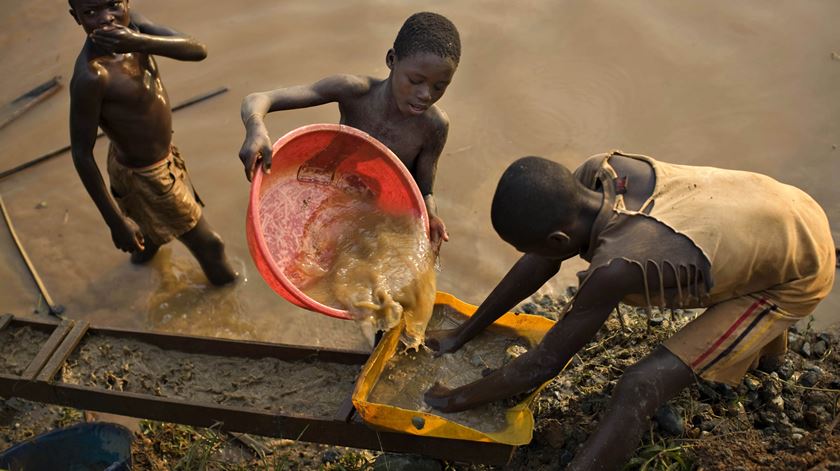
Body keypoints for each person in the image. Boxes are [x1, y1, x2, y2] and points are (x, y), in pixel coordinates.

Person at [423, 151, 836, 470]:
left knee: (639, 386)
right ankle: (768, 361)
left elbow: (544, 364)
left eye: (530, 246)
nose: (531, 256)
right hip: (781, 207)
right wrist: (466, 330)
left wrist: (451, 400)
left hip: (796, 274)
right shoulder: (599, 171)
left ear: (557, 238)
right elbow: (542, 259)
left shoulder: (618, 267)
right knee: (744, 260)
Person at [238, 12, 461, 252]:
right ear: (391, 59)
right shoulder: (354, 93)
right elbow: (258, 99)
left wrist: (432, 216)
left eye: (440, 86)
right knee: (303, 248)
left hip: (374, 207)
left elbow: (424, 189)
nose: (426, 94)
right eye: (416, 80)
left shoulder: (434, 126)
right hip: (324, 182)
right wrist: (255, 127)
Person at [68, 0, 237, 285]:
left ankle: (133, 275)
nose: (105, 18)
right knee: (211, 246)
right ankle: (232, 308)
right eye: (90, 12)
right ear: (76, 17)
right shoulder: (93, 75)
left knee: (148, 233)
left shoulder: (134, 26)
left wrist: (140, 41)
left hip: (153, 159)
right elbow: (81, 153)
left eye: (112, 5)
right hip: (149, 176)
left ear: (126, 2)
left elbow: (198, 50)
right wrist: (115, 223)